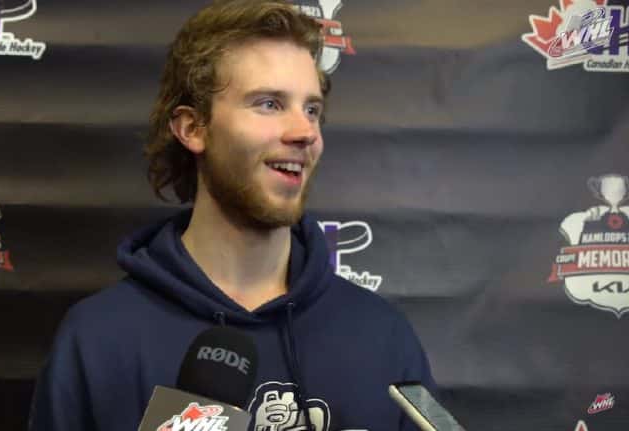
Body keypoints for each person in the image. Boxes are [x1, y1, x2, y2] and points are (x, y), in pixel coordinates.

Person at [28, 1, 435, 430]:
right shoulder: (98, 340)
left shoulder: (384, 338)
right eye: (269, 104)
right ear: (193, 128)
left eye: (312, 109)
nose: (305, 132)